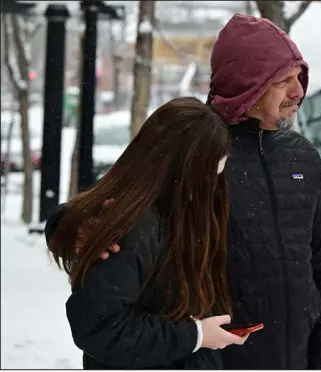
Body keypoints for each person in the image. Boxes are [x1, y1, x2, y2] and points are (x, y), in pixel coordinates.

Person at [46, 13, 321, 370]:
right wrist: (77, 226)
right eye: (283, 81)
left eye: (300, 78)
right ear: (248, 84)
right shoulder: (195, 148)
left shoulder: (302, 158)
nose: (298, 92)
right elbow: (123, 198)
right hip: (207, 357)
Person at [46, 97, 249, 370]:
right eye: (213, 171)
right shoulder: (136, 226)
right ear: (186, 168)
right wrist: (195, 336)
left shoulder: (178, 210)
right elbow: (102, 327)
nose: (215, 184)